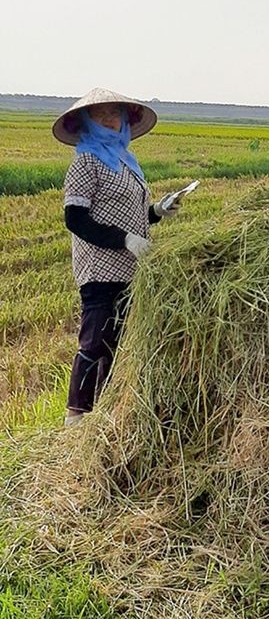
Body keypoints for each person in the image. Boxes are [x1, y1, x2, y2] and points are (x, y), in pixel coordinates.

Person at [55, 88, 184, 427]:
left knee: (115, 344)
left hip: (129, 268)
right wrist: (125, 239)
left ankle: (103, 410)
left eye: (116, 113)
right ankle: (77, 416)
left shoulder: (126, 161)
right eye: (102, 115)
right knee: (95, 340)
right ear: (87, 122)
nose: (111, 120)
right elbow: (76, 218)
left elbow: (135, 214)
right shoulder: (85, 161)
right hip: (99, 268)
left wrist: (158, 209)